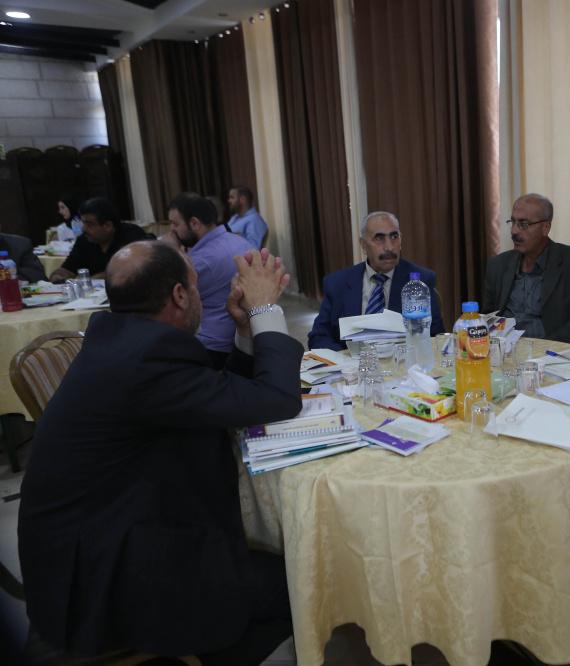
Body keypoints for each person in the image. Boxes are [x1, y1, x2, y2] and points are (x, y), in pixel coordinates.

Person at [18, 241, 301, 664]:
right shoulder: (146, 360)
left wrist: (244, 331)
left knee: (266, 569)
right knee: (300, 581)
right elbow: (278, 399)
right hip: (104, 580)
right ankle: (209, 646)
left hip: (98, 541)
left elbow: (218, 400)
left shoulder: (123, 341)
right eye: (195, 285)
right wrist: (264, 310)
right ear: (180, 295)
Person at [308, 210, 445, 350]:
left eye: (394, 237)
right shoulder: (338, 284)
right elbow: (319, 337)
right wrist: (347, 358)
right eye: (379, 238)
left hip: (403, 361)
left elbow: (435, 337)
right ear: (363, 245)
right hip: (351, 361)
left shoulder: (420, 281)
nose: (389, 247)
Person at [482, 193, 570, 344]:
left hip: (551, 350)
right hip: (504, 350)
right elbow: (488, 315)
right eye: (513, 222)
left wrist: (550, 345)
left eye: (523, 224)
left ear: (545, 227)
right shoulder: (498, 265)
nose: (514, 231)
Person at [167, 192, 256, 369]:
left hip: (212, 347)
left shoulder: (200, 261)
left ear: (194, 223)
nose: (172, 231)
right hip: (246, 338)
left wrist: (170, 253)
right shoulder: (239, 241)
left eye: (175, 224)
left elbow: (166, 296)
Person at [49, 197, 151, 283]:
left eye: (89, 224)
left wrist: (95, 278)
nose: (83, 229)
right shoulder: (84, 240)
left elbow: (134, 271)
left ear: (108, 226)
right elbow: (68, 268)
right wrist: (58, 276)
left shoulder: (132, 235)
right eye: (83, 223)